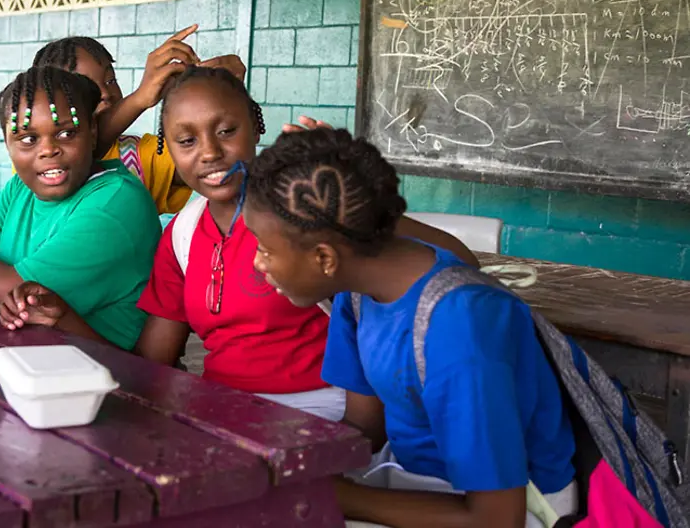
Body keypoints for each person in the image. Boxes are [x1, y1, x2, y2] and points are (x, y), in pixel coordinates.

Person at [242, 127, 578, 528]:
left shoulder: (458, 329)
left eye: (264, 248)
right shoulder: (358, 294)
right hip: (419, 481)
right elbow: (366, 427)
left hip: (518, 508)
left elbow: (496, 519)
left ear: (324, 258)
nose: (257, 264)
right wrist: (280, 462)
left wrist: (342, 497)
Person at [134, 66, 480, 421]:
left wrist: (354, 202)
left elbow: (460, 264)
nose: (209, 152)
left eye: (226, 131)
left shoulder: (307, 213)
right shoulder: (183, 233)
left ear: (256, 128)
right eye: (187, 141)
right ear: (168, 149)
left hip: (320, 409)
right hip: (220, 409)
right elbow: (153, 359)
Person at [0, 65, 160, 351]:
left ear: (93, 132)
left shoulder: (116, 202)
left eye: (66, 134)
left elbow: (15, 293)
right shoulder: (21, 189)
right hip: (23, 361)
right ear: (8, 146)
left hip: (103, 377)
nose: (48, 150)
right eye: (27, 139)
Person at [29, 26, 245, 215]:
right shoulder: (37, 153)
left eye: (110, 80)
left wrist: (224, 94)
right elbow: (81, 150)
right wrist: (140, 98)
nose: (105, 92)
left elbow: (211, 163)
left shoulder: (139, 155)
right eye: (88, 86)